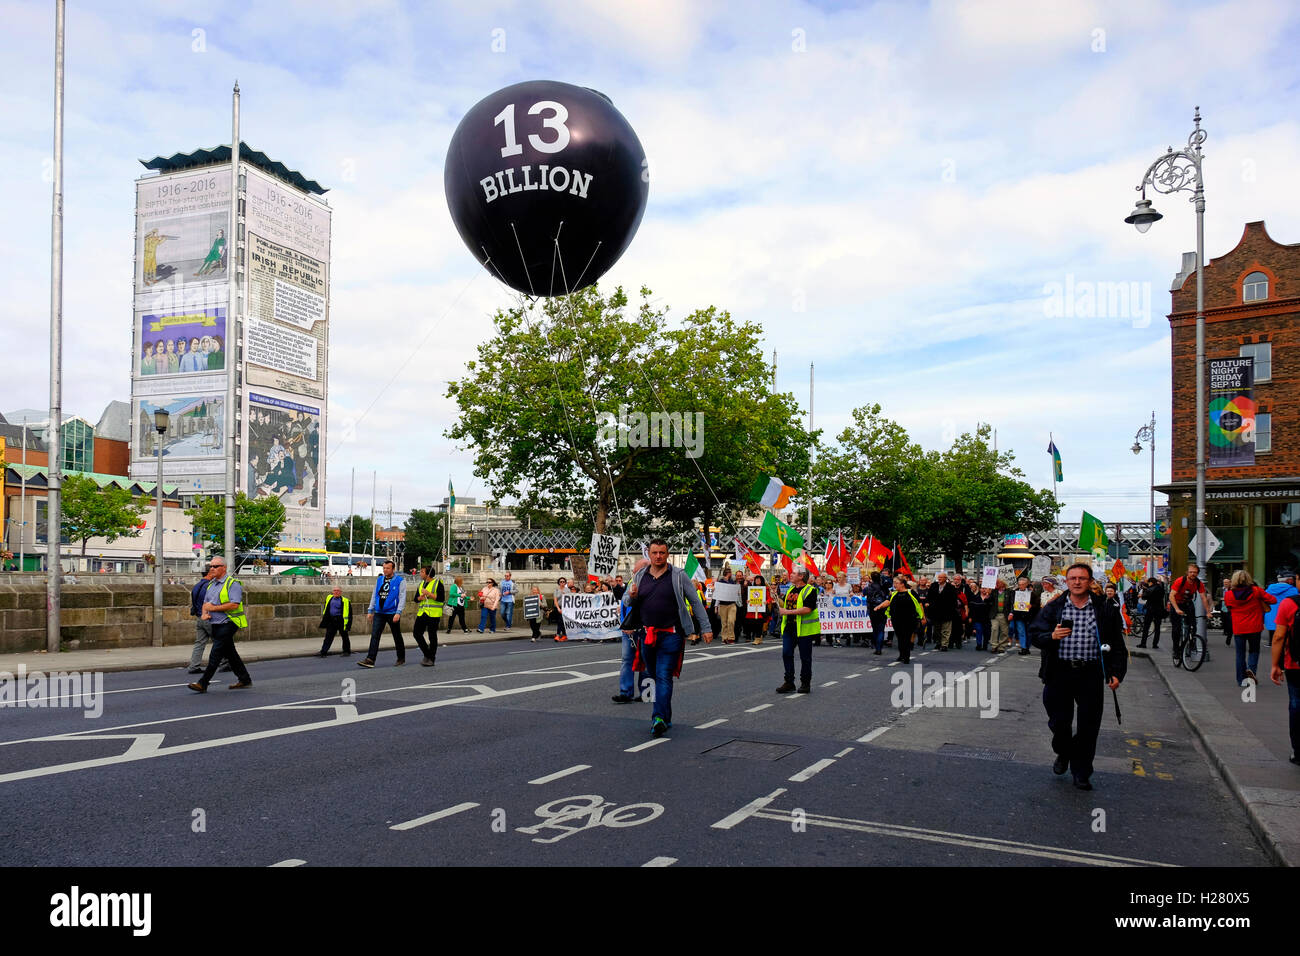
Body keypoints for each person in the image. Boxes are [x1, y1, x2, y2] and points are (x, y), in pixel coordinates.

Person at [1029, 562, 1128, 791]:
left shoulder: (1104, 608)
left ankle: (1082, 772)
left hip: (1090, 673)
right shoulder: (1055, 607)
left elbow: (1116, 644)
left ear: (1090, 581)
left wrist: (1116, 673)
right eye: (1072, 578)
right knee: (1059, 722)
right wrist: (1051, 636)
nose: (1077, 582)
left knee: (1088, 726)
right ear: (1067, 580)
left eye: (1082, 578)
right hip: (1059, 672)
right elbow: (1035, 633)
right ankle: (1064, 751)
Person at [621, 540, 712, 737]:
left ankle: (658, 717)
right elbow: (627, 601)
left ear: (667, 554)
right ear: (649, 554)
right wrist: (631, 595)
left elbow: (695, 602)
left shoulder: (678, 576)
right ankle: (666, 716)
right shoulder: (639, 575)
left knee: (663, 675)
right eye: (654, 553)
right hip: (647, 634)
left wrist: (705, 628)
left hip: (671, 634)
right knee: (653, 675)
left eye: (662, 553)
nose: (658, 556)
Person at [187, 557, 253, 692]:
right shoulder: (211, 585)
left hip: (229, 623)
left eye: (215, 566)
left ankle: (203, 683)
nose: (212, 568)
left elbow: (234, 604)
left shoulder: (232, 584)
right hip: (215, 623)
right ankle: (245, 679)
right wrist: (205, 613)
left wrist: (213, 608)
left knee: (215, 653)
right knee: (231, 654)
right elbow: (206, 604)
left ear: (224, 568)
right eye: (211, 566)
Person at [1224, 570, 1276, 688]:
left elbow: (1229, 607)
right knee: (1254, 651)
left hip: (1239, 627)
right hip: (1254, 626)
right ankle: (1251, 671)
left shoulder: (1228, 594)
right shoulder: (1256, 591)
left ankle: (1240, 680)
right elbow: (1273, 600)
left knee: (1240, 654)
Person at [1267, 591, 1300, 765]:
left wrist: (1275, 665)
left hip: (1295, 665)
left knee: (1296, 705)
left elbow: (1279, 636)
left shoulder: (1289, 604)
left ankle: (1298, 751)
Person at [776, 568, 821, 693]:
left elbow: (808, 609)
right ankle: (789, 682)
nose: (790, 575)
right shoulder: (791, 589)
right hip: (789, 628)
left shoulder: (810, 590)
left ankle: (805, 683)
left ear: (801, 576)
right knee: (786, 654)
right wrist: (775, 596)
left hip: (804, 630)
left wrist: (788, 612)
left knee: (805, 658)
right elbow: (784, 605)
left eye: (794, 573)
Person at [358, 559, 407, 668]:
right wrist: (370, 610)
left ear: (393, 569)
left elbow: (402, 597)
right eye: (384, 568)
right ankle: (370, 659)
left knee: (396, 636)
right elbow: (374, 595)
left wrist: (398, 612)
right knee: (375, 635)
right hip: (379, 612)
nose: (385, 570)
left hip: (392, 612)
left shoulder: (400, 581)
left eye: (388, 568)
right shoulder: (380, 579)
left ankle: (401, 658)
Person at [878, 574, 924, 664]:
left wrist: (923, 617)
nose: (894, 585)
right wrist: (879, 606)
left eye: (896, 583)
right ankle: (901, 654)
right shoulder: (894, 593)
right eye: (894, 583)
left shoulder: (911, 592)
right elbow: (887, 602)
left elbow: (919, 605)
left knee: (906, 637)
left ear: (902, 584)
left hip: (909, 619)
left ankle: (906, 656)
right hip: (896, 619)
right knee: (900, 637)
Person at [1168, 563, 1207, 664]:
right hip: (1176, 603)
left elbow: (1203, 597)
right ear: (1187, 573)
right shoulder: (1180, 581)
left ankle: (1191, 641)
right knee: (1176, 628)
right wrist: (1176, 609)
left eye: (1195, 572)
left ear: (1197, 573)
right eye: (1191, 572)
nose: (1193, 574)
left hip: (1187, 603)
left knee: (1193, 625)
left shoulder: (1198, 583)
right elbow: (1171, 596)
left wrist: (1208, 612)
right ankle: (1176, 650)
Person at [412, 566, 446, 666]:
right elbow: (415, 599)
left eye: (422, 572)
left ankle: (431, 658)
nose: (420, 573)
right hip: (422, 612)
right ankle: (427, 654)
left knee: (432, 636)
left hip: (434, 614)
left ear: (428, 574)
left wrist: (429, 594)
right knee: (416, 633)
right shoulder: (421, 584)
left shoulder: (437, 583)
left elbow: (441, 598)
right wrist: (420, 597)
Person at [186, 563, 216, 674]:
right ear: (210, 573)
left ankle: (194, 666)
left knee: (199, 643)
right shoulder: (210, 586)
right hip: (208, 618)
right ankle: (225, 662)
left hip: (199, 618)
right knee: (220, 641)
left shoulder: (197, 586)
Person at [927, 572, 959, 651]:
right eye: (939, 577)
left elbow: (954, 600)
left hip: (947, 612)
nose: (939, 579)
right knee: (937, 629)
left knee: (946, 629)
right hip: (935, 611)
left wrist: (952, 609)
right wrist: (928, 603)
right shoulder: (934, 586)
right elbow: (929, 596)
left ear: (945, 578)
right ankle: (938, 642)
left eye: (941, 577)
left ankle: (944, 644)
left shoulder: (951, 587)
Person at [318, 585, 352, 657]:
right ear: (332, 592)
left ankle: (346, 651)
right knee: (328, 637)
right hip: (331, 620)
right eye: (334, 590)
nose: (336, 592)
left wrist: (348, 625)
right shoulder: (329, 598)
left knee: (344, 636)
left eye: (338, 591)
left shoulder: (346, 601)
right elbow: (326, 608)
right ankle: (323, 652)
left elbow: (350, 614)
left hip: (341, 620)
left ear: (341, 592)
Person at [1008, 576, 1039, 655]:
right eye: (1019, 584)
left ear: (1026, 584)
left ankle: (1027, 647)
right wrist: (1012, 612)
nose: (1020, 586)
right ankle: (1023, 648)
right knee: (1021, 632)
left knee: (1029, 632)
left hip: (1029, 616)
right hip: (1018, 616)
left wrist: (1032, 606)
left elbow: (1037, 603)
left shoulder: (1031, 593)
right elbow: (1011, 603)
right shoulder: (1014, 592)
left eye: (1022, 584)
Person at [1264, 571, 1299, 638]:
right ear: (1290, 580)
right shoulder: (1294, 590)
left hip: (1270, 615)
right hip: (1285, 616)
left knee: (1273, 631)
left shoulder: (1269, 588)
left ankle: (1271, 642)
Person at [1137, 577, 1166, 648]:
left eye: (1148, 583)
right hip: (1159, 610)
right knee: (1157, 628)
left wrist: (1142, 594)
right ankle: (1155, 644)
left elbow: (1144, 597)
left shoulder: (1150, 589)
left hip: (1150, 610)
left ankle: (1143, 643)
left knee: (1146, 627)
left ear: (1151, 582)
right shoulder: (1160, 588)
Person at [865, 571, 889, 655]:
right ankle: (879, 648)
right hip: (882, 609)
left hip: (872, 610)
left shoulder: (868, 587)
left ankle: (876, 646)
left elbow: (864, 594)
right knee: (881, 629)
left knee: (875, 629)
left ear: (871, 578)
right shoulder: (884, 587)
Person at [743, 574, 770, 645]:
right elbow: (749, 598)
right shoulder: (751, 588)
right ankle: (759, 636)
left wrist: (767, 602)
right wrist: (747, 601)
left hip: (761, 609)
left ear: (761, 581)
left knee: (759, 623)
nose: (757, 580)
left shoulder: (765, 589)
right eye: (756, 579)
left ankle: (757, 638)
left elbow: (769, 598)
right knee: (751, 623)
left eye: (759, 579)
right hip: (752, 609)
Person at [716, 566, 739, 645]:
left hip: (731, 604)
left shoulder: (733, 582)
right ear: (727, 573)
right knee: (724, 622)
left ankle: (731, 637)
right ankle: (724, 638)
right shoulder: (720, 582)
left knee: (731, 621)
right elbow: (717, 595)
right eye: (730, 573)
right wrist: (716, 606)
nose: (731, 574)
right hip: (723, 604)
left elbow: (736, 592)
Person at [988, 579, 1012, 653]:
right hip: (995, 614)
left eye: (998, 582)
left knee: (1004, 631)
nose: (996, 584)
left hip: (1004, 614)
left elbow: (1012, 603)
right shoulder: (994, 591)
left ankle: (1001, 646)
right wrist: (988, 594)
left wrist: (1011, 613)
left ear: (1003, 583)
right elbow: (988, 601)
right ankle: (994, 645)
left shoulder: (1009, 592)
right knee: (994, 629)